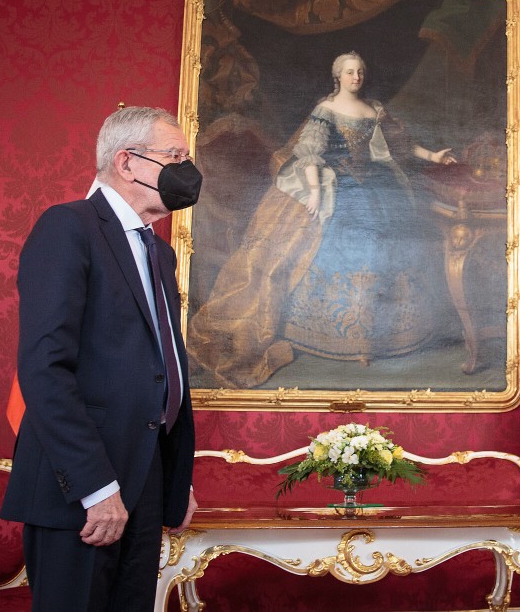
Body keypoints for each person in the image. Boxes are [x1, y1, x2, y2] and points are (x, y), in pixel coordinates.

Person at [1, 106, 201, 611]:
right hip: (85, 488)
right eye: (174, 157)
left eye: (187, 157)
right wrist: (95, 487)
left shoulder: (158, 251)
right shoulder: (68, 228)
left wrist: (174, 479)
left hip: (144, 479)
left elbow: (158, 366)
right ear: (127, 163)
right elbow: (45, 370)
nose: (187, 169)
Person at [189, 51, 456, 387]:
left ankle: (384, 334)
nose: (355, 77)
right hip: (336, 185)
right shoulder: (326, 110)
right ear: (338, 77)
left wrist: (433, 155)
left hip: (376, 186)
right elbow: (310, 153)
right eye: (349, 72)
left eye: (359, 71)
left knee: (389, 244)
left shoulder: (374, 109)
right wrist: (314, 192)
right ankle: (329, 332)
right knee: (340, 242)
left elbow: (400, 145)